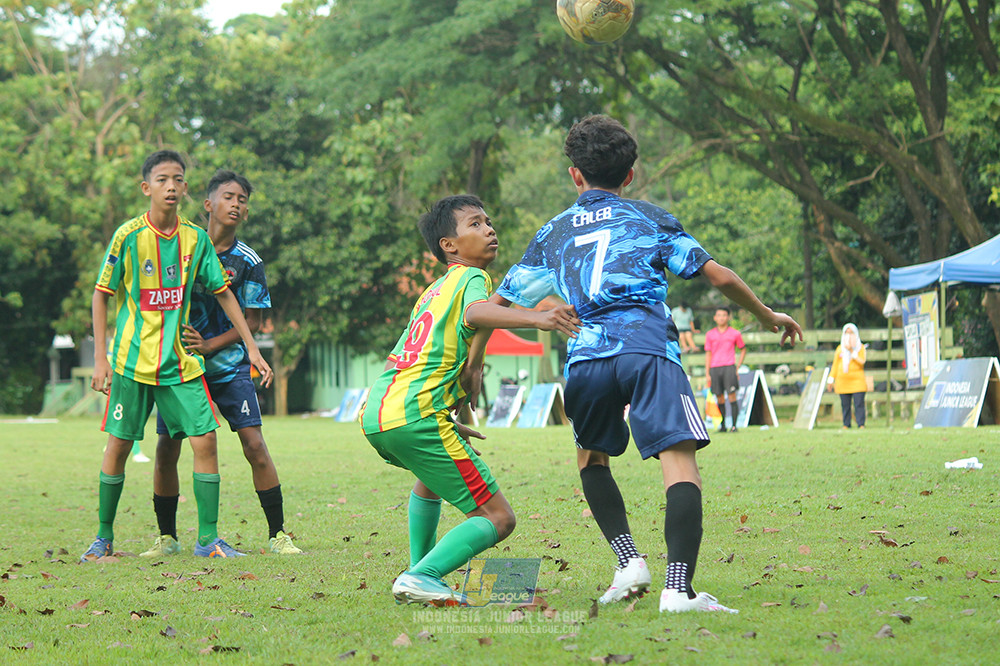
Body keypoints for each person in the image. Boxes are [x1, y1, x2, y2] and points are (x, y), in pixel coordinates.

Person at [491, 115, 802, 614]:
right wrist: (767, 315)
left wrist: (472, 364)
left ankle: (628, 561)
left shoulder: (551, 233)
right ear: (629, 176)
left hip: (586, 359)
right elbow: (718, 277)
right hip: (648, 350)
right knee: (679, 465)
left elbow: (497, 306)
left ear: (575, 175)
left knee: (591, 460)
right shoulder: (648, 218)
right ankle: (678, 590)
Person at [360, 195, 580, 606]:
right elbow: (479, 314)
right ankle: (421, 575)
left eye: (489, 222)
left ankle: (420, 571)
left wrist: (468, 377)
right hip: (416, 413)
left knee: (430, 481)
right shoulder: (471, 278)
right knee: (499, 518)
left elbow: (457, 339)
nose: (489, 229)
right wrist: (539, 318)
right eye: (475, 224)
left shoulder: (434, 289)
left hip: (381, 411)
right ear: (450, 245)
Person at [82, 151, 274, 563]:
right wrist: (101, 360)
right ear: (146, 187)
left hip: (178, 364)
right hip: (132, 363)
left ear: (186, 188)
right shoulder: (128, 236)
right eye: (163, 179)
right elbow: (102, 294)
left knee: (205, 440)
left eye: (178, 179)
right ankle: (103, 539)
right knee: (118, 446)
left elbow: (224, 293)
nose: (171, 186)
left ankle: (208, 540)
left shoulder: (194, 239)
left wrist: (253, 349)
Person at [140, 170, 301, 559]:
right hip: (179, 367)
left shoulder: (248, 262)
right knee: (167, 446)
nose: (237, 204)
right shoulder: (181, 247)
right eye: (229, 197)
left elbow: (255, 320)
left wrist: (212, 343)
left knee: (255, 446)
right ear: (209, 204)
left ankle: (278, 534)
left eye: (243, 200)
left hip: (229, 367)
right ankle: (167, 537)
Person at [704, 306, 747, 433]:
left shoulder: (735, 333)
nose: (721, 318)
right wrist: (707, 372)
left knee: (732, 396)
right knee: (720, 397)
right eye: (719, 315)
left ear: (728, 317)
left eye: (724, 315)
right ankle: (723, 425)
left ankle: (734, 425)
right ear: (715, 318)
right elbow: (708, 353)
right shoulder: (710, 334)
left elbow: (743, 348)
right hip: (715, 368)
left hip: (729, 367)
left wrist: (738, 366)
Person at [828, 323, 867, 429]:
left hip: (857, 381)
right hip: (842, 381)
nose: (849, 335)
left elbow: (861, 362)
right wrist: (831, 379)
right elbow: (835, 365)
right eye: (847, 333)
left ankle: (861, 424)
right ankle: (846, 424)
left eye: (851, 333)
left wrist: (851, 351)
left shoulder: (861, 348)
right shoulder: (839, 349)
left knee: (859, 404)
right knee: (845, 405)